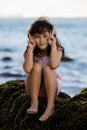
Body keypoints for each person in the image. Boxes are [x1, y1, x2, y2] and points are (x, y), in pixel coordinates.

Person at [23, 17, 64, 121]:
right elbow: (27, 69)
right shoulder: (30, 51)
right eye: (37, 36)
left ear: (51, 35)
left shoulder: (58, 49)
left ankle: (50, 107)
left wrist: (53, 45)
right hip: (33, 89)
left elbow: (54, 65)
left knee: (48, 69)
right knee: (36, 66)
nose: (41, 40)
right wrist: (30, 49)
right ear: (32, 37)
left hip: (49, 88)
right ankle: (34, 103)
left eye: (45, 36)